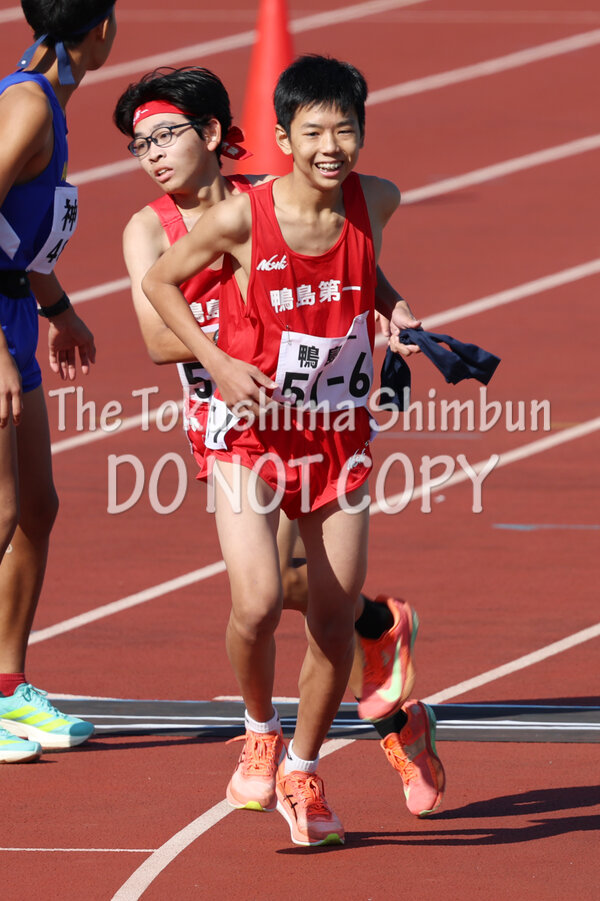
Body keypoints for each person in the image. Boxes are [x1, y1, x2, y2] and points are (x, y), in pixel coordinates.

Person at [137, 58, 444, 843]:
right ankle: (259, 729)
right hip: (250, 435)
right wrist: (217, 360)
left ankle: (304, 772)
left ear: (363, 132)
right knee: (258, 601)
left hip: (337, 438)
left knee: (333, 618)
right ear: (282, 138)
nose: (330, 145)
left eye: (345, 129)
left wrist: (397, 313)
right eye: (313, 132)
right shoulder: (239, 219)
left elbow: (363, 267)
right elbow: (161, 287)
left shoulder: (377, 199)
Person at [0, 0, 117, 764]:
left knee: (36, 507)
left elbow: (15, 233)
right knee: (1, 510)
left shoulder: (46, 100)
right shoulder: (27, 106)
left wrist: (59, 308)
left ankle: (7, 686)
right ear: (102, 28)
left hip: (15, 312)